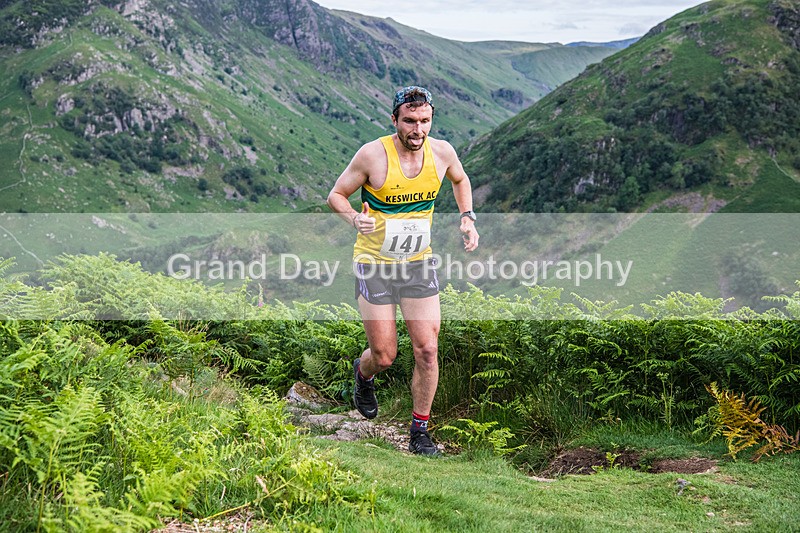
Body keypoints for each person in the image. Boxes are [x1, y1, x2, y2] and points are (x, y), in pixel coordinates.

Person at [327, 86, 479, 455]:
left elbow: (460, 179)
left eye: (425, 121)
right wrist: (354, 219)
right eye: (410, 121)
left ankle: (420, 432)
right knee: (384, 355)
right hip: (374, 263)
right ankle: (363, 373)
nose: (418, 129)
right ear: (394, 119)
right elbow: (336, 195)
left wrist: (467, 217)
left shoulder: (442, 153)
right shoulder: (372, 155)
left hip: (417, 262)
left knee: (427, 349)